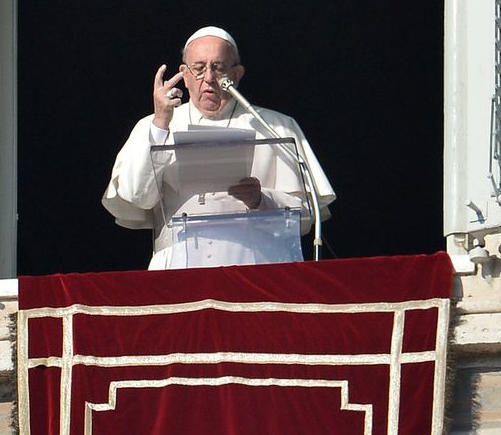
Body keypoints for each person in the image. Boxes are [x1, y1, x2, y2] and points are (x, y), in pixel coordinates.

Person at [103, 26, 335, 269]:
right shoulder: (153, 126)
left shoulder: (276, 126)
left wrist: (262, 200)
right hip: (179, 269)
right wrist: (161, 123)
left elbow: (308, 218)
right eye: (199, 68)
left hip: (259, 269)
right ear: (184, 73)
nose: (209, 78)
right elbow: (136, 197)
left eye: (219, 67)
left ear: (237, 74)